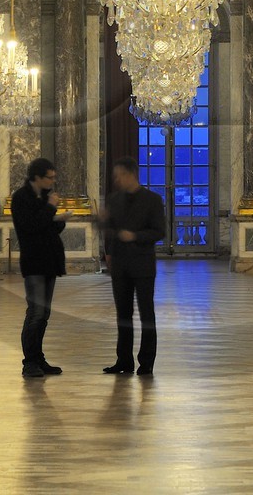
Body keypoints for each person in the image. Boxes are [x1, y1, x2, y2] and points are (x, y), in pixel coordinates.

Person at [101, 158, 166, 376]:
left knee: (146, 314)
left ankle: (146, 362)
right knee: (123, 314)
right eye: (115, 176)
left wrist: (135, 236)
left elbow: (159, 231)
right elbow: (109, 229)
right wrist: (101, 221)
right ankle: (124, 361)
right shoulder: (113, 200)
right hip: (120, 264)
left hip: (143, 264)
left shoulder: (152, 200)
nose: (117, 179)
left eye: (120, 175)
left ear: (131, 175)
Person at [12, 157, 69, 379]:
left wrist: (59, 218)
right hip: (34, 261)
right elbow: (30, 227)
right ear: (37, 177)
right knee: (35, 313)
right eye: (50, 177)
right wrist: (50, 209)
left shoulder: (46, 197)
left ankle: (39, 358)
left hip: (49, 261)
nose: (53, 181)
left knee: (44, 313)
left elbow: (50, 227)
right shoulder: (21, 198)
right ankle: (29, 362)